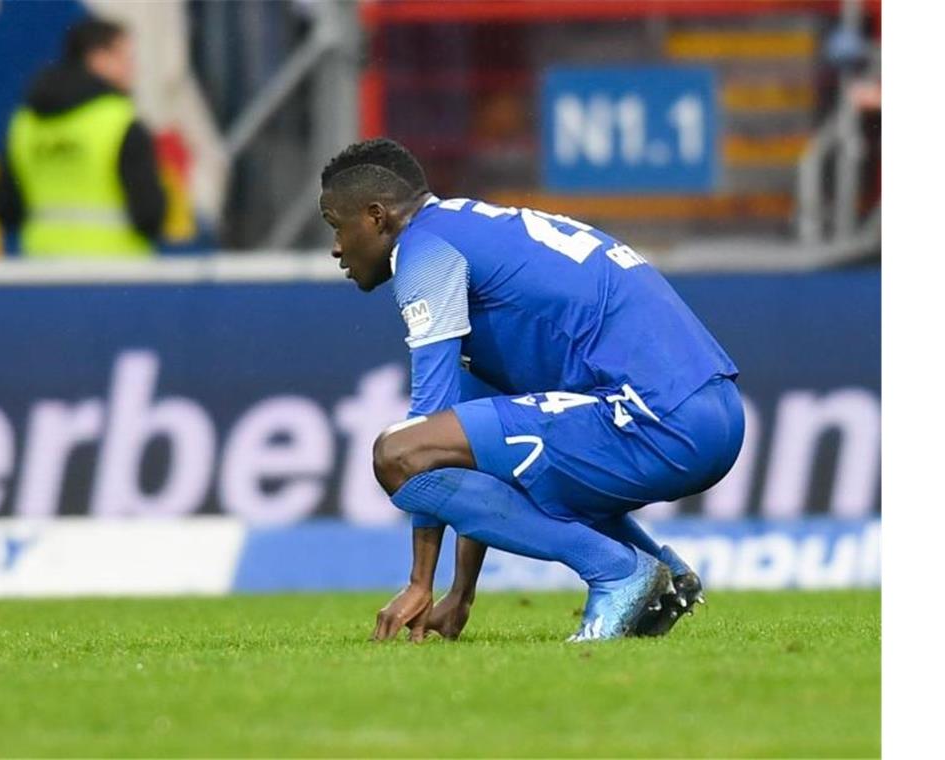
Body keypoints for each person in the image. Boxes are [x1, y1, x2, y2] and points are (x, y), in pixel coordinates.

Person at [318, 138, 744, 643]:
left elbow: (422, 438)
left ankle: (617, 572)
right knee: (495, 449)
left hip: (660, 418)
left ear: (376, 216)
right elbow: (469, 445)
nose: (337, 247)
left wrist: (418, 581)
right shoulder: (471, 229)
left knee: (394, 453)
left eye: (336, 225)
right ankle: (659, 573)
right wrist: (461, 592)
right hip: (710, 410)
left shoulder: (425, 253)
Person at [0, 18, 166, 257]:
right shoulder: (121, 123)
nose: (133, 68)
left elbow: (5, 209)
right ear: (97, 58)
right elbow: (150, 215)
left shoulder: (24, 124)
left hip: (43, 269)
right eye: (125, 58)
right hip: (116, 273)